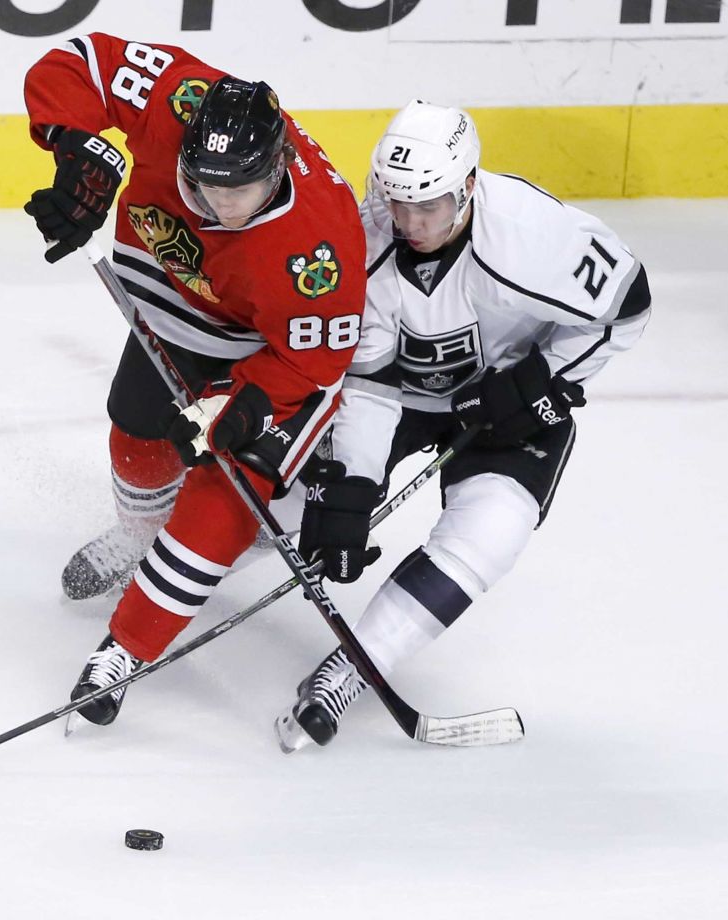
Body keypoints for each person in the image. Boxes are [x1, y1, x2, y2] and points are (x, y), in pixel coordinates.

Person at [274, 101, 651, 753]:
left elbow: (625, 307)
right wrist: (356, 485)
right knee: (288, 498)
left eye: (431, 206)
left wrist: (539, 381)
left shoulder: (534, 238)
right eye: (398, 205)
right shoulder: (361, 241)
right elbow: (366, 382)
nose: (412, 224)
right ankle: (173, 555)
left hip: (503, 402)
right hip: (400, 395)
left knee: (492, 532)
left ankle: (352, 671)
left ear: (469, 184)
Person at [23, 34, 366, 725]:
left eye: (237, 189)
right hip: (168, 309)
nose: (215, 203)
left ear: (278, 165)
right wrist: (74, 147)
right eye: (203, 183)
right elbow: (79, 59)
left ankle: (134, 634)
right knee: (134, 425)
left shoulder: (319, 249)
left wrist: (242, 412)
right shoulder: (180, 99)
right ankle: (137, 536)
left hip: (253, 345)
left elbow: (310, 363)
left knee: (222, 474)